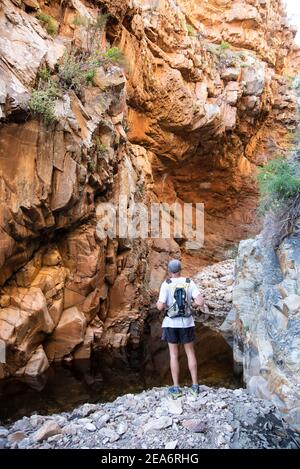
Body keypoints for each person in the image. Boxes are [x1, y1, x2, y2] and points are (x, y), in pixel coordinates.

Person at [156, 259, 204, 398]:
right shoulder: (189, 282)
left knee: (173, 355)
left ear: (169, 271)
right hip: (187, 323)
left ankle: (176, 388)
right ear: (180, 269)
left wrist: (160, 303)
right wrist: (195, 303)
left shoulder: (167, 284)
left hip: (171, 324)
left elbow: (160, 306)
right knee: (190, 353)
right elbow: (200, 302)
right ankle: (195, 386)